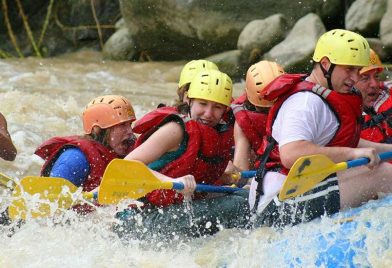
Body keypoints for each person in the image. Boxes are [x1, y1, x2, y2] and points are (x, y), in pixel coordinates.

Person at [249, 29, 392, 228]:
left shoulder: (325, 95)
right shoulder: (305, 102)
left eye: (357, 70)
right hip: (276, 208)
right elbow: (291, 154)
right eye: (349, 69)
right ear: (325, 64)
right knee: (381, 174)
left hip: (300, 191)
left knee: (381, 167)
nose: (354, 77)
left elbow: (342, 142)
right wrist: (352, 154)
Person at [116, 69, 249, 240]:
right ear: (189, 101)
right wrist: (172, 182)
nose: (208, 114)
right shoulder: (176, 130)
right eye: (202, 104)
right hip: (141, 219)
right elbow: (126, 166)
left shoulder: (219, 134)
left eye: (217, 107)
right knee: (242, 203)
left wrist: (226, 178)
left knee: (249, 195)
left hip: (175, 210)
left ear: (224, 109)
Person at [35, 95, 137, 213]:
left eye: (130, 124)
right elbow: (49, 205)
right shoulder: (75, 158)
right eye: (122, 125)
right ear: (98, 129)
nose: (130, 131)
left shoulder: (132, 152)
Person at [230, 61, 285, 175]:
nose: (270, 114)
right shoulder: (243, 119)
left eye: (275, 108)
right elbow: (241, 169)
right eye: (264, 110)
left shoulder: (298, 103)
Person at [357, 49, 392, 143]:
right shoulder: (334, 118)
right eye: (365, 78)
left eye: (376, 76)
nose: (375, 84)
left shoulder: (387, 93)